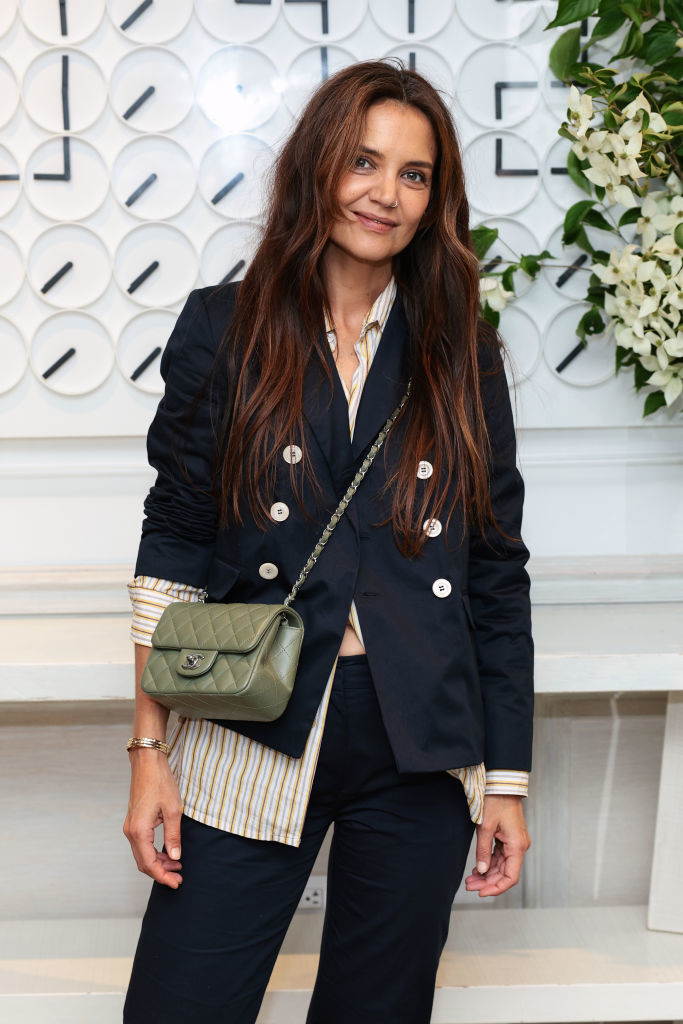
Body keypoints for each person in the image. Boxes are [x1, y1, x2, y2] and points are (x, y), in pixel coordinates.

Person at [122, 59, 534, 1024]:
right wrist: (149, 750)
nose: (384, 194)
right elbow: (173, 542)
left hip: (419, 734)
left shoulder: (458, 348)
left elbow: (492, 569)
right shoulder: (225, 328)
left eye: (414, 174)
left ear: (435, 200)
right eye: (362, 161)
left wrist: (507, 780)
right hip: (253, 720)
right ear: (317, 167)